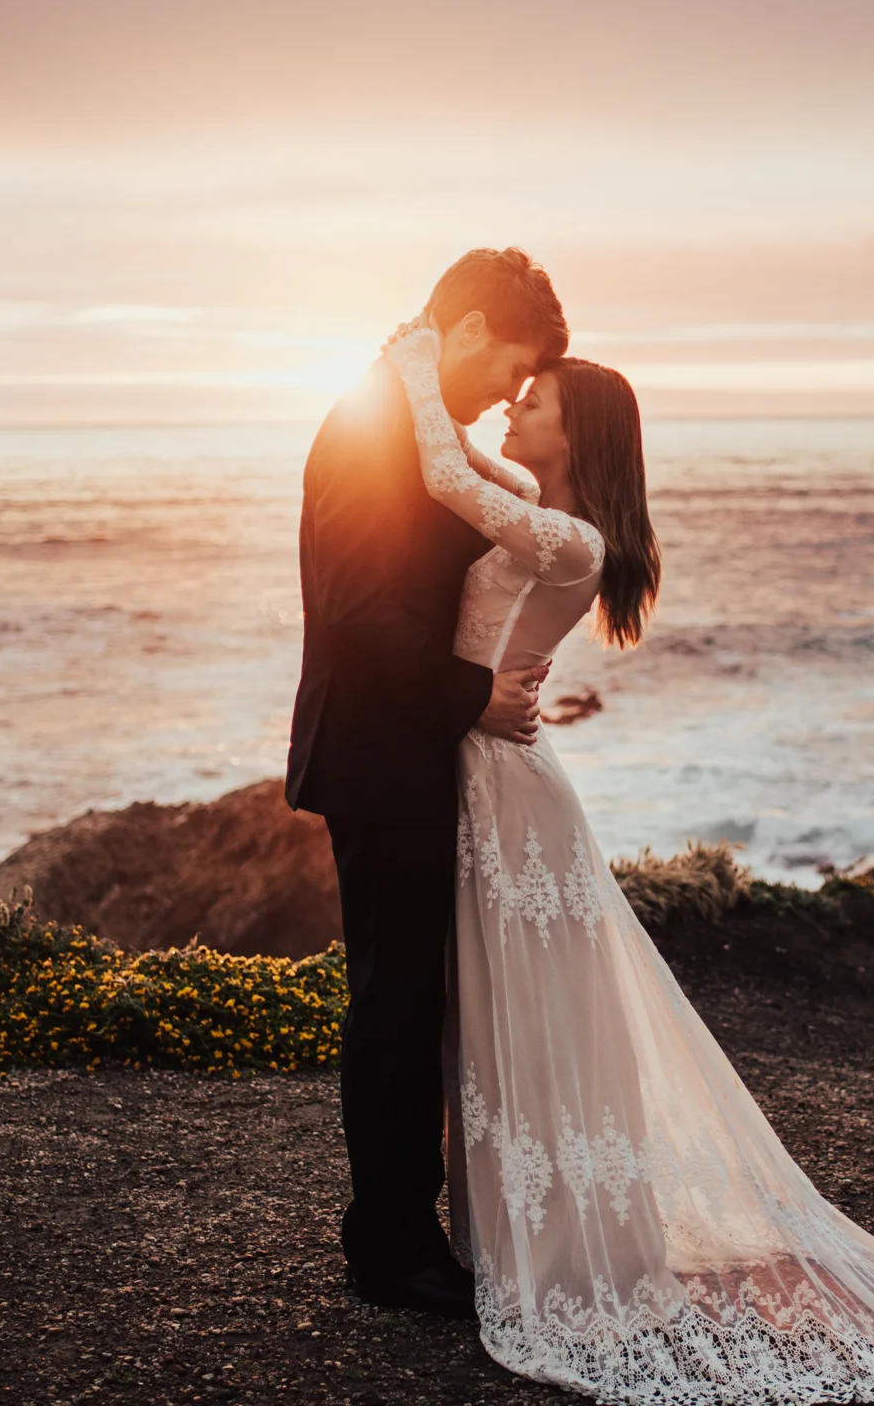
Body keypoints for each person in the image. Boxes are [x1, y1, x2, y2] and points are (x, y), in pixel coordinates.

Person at [374, 311, 874, 1402]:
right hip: (481, 771)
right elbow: (467, 465)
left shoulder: (573, 542)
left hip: (508, 793)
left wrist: (411, 364)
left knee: (540, 1010)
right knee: (497, 1009)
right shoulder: (533, 505)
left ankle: (575, 1242)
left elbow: (439, 468)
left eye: (535, 400)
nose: (513, 406)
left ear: (579, 435)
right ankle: (530, 1230)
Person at [285, 247, 566, 1317]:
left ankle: (414, 1229)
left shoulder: (415, 422)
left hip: (406, 745)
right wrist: (476, 698)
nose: (508, 391)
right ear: (469, 328)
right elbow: (364, 616)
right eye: (511, 367)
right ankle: (391, 1245)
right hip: (380, 754)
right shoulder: (373, 428)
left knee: (415, 993)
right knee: (396, 1002)